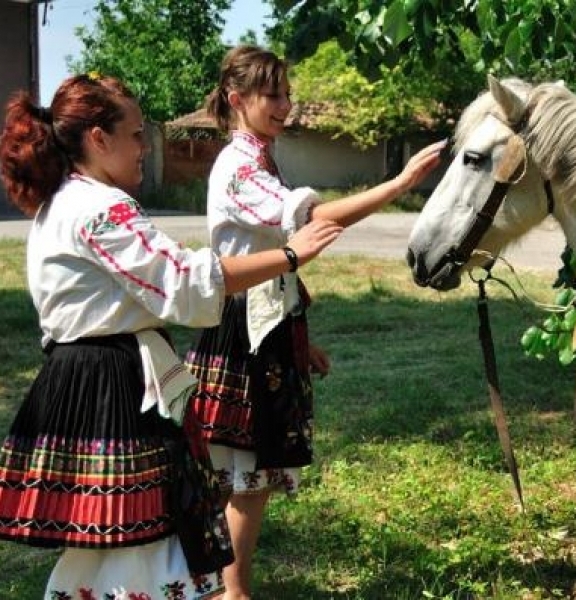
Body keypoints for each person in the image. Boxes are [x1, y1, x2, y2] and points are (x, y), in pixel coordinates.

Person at [0, 73, 344, 599]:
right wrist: (292, 254)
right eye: (136, 134)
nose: (144, 147)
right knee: (137, 540)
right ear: (98, 138)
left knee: (113, 545)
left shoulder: (64, 203)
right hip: (109, 385)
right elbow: (184, 284)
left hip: (88, 377)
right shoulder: (99, 208)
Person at [182, 45, 444, 599]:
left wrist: (302, 339)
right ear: (237, 99)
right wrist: (398, 186)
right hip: (242, 330)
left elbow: (275, 251)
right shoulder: (237, 167)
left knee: (254, 476)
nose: (286, 104)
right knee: (246, 476)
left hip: (267, 325)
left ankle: (227, 587)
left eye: (286, 92)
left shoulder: (260, 157)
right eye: (272, 94)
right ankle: (233, 593)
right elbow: (312, 220)